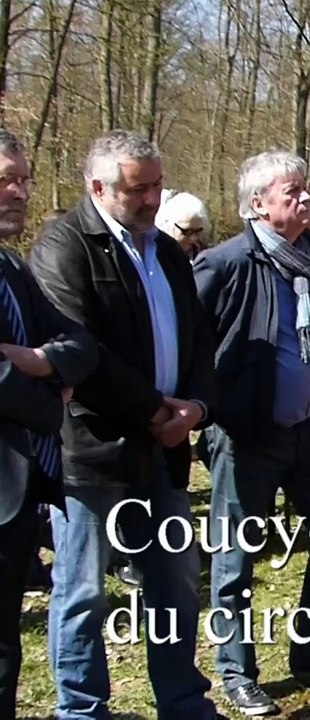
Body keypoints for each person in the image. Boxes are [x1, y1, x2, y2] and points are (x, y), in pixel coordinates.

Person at [29, 130, 223, 719]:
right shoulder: (64, 245)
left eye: (157, 186)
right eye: (138, 189)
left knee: (174, 582)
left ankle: (183, 701)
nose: (151, 200)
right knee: (83, 592)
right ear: (97, 187)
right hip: (90, 450)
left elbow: (199, 339)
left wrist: (196, 404)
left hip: (162, 450)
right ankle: (83, 709)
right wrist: (155, 410)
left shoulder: (164, 251)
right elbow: (79, 349)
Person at [193, 150, 310, 716]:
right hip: (247, 436)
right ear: (258, 205)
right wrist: (211, 409)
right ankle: (236, 672)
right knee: (236, 558)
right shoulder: (226, 263)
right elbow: (193, 342)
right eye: (292, 192)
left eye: (306, 188)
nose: (305, 198)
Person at [0, 127, 98, 720]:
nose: (20, 191)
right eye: (6, 180)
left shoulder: (12, 268)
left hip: (20, 493)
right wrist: (51, 399)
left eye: (24, 178)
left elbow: (79, 344)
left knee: (5, 649)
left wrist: (40, 361)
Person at [156, 191, 210, 262]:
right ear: (168, 226)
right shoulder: (155, 258)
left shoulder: (205, 259)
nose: (193, 238)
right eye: (187, 231)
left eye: (198, 231)